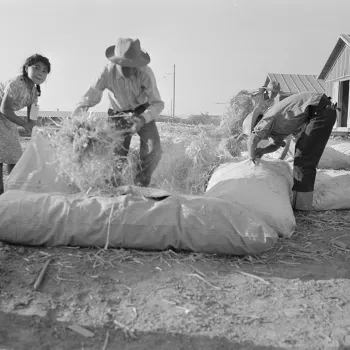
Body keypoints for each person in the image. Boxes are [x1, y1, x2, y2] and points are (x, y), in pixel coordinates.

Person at [73, 37, 164, 187]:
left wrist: (142, 119)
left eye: (135, 65)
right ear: (116, 61)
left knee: (154, 150)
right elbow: (89, 98)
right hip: (118, 115)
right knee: (116, 158)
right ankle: (115, 189)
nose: (131, 69)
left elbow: (157, 103)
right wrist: (75, 120)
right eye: (126, 65)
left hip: (142, 111)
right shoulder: (106, 73)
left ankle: (141, 184)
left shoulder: (146, 73)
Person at [242, 91, 337, 211]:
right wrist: (262, 151)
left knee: (303, 158)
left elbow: (252, 140)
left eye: (255, 129)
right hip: (320, 110)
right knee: (301, 153)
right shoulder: (275, 127)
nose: (263, 136)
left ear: (256, 124)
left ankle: (302, 208)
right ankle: (300, 204)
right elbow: (276, 145)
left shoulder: (267, 119)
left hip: (319, 110)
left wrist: (252, 159)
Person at [0, 54, 51, 195]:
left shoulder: (34, 91)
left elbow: (32, 117)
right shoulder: (16, 83)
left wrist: (36, 131)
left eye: (44, 71)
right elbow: (4, 109)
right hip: (3, 115)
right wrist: (24, 124)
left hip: (7, 119)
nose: (40, 73)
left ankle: (12, 192)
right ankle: (3, 197)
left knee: (14, 155)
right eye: (37, 68)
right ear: (26, 68)